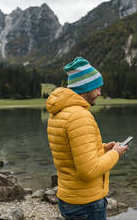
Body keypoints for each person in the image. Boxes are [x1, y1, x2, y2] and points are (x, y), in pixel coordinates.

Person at [46, 56, 128, 220]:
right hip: (86, 203)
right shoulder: (79, 116)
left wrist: (102, 149)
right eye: (96, 87)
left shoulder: (60, 112)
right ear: (85, 88)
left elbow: (70, 152)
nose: (99, 92)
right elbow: (88, 171)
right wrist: (116, 153)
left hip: (70, 197)